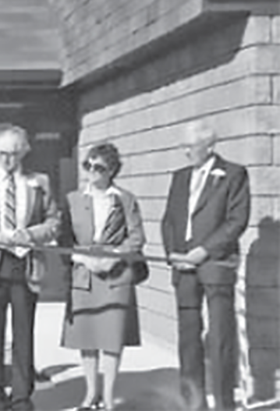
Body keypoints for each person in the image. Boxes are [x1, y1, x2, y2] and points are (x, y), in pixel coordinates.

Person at [161, 121, 250, 411]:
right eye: (182, 146)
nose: (185, 152)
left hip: (215, 265)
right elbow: (169, 220)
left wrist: (204, 251)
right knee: (188, 338)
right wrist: (173, 253)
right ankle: (193, 403)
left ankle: (225, 403)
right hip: (183, 267)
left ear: (209, 147)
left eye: (190, 146)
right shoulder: (179, 177)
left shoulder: (233, 174)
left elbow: (236, 221)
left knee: (220, 337)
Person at [0, 126, 60, 411]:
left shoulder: (39, 182)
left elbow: (54, 222)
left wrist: (33, 234)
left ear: (23, 152)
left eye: (12, 154)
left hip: (25, 266)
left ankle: (22, 397)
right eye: (1, 154)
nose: (7, 160)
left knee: (23, 335)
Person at [59, 143, 145, 411]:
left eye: (99, 168)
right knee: (86, 335)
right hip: (84, 273)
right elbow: (64, 239)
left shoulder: (125, 199)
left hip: (115, 275)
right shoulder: (73, 199)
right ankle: (90, 393)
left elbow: (137, 237)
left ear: (112, 171)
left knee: (110, 336)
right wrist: (83, 259)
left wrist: (113, 257)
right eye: (88, 165)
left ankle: (108, 396)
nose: (92, 172)